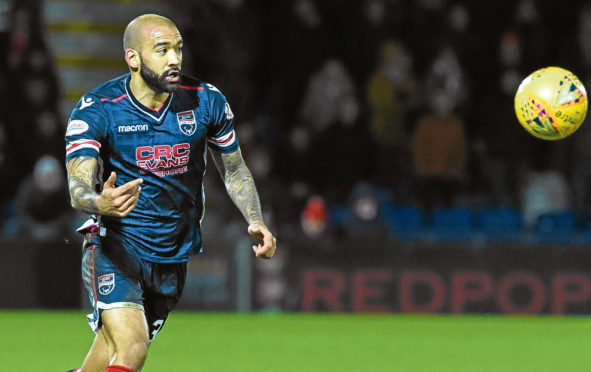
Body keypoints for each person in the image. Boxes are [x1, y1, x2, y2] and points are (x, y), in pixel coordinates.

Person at [64, 14, 276, 372]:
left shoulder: (206, 101)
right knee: (133, 350)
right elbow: (78, 184)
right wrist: (97, 201)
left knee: (99, 364)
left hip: (172, 255)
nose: (174, 59)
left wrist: (256, 219)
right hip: (116, 247)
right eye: (161, 50)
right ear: (133, 58)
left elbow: (234, 168)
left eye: (178, 49)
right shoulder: (98, 108)